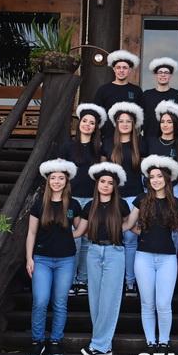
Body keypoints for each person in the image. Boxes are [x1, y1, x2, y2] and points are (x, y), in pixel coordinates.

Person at [26, 159, 86, 355]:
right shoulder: (39, 204)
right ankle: (37, 341)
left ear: (66, 181)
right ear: (48, 180)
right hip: (42, 259)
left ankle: (55, 341)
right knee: (40, 301)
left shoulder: (73, 204)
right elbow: (31, 233)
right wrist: (29, 258)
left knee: (60, 302)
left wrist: (69, 237)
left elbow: (80, 228)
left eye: (61, 178)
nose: (57, 182)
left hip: (66, 260)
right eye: (53, 178)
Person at [127, 155, 178, 354]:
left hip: (167, 258)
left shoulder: (176, 202)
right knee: (147, 303)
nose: (156, 180)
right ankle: (151, 341)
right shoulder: (141, 200)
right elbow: (129, 224)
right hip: (144, 257)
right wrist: (141, 233)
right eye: (152, 177)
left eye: (159, 176)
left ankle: (164, 341)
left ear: (167, 179)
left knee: (163, 303)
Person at [80, 162, 130, 355]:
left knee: (109, 299)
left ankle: (98, 345)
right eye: (103, 181)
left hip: (114, 251)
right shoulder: (89, 206)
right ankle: (104, 345)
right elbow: (80, 230)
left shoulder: (121, 205)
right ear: (97, 184)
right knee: (95, 299)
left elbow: (128, 223)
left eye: (110, 182)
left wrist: (117, 230)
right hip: (93, 251)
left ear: (114, 186)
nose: (106, 185)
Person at [61, 103, 106, 297]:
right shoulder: (68, 146)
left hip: (92, 199)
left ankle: (83, 280)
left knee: (88, 239)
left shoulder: (99, 149)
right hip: (72, 199)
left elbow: (104, 175)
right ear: (79, 123)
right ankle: (70, 280)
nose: (87, 125)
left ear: (96, 127)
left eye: (92, 123)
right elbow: (60, 172)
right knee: (74, 240)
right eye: (84, 121)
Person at [101, 101, 145, 298]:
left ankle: (130, 282)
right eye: (121, 121)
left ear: (134, 124)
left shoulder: (141, 143)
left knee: (131, 238)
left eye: (128, 121)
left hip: (135, 195)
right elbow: (103, 172)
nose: (125, 124)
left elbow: (146, 172)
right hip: (114, 196)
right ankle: (114, 280)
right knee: (114, 236)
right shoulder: (108, 143)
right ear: (116, 123)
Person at [143, 99, 178, 195]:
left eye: (169, 122)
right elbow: (144, 167)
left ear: (175, 124)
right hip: (152, 188)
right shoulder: (150, 142)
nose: (165, 125)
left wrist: (173, 167)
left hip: (173, 188)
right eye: (162, 122)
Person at [93, 49, 143, 139]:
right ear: (114, 69)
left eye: (125, 68)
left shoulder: (136, 91)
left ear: (130, 70)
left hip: (130, 138)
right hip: (108, 137)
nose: (121, 70)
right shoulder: (104, 90)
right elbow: (96, 114)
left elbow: (142, 115)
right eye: (118, 67)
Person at [141, 57, 178, 138]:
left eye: (166, 72)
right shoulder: (147, 95)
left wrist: (175, 127)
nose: (163, 75)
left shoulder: (177, 95)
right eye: (160, 72)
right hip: (149, 140)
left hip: (171, 141)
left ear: (170, 75)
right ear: (155, 75)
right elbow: (138, 118)